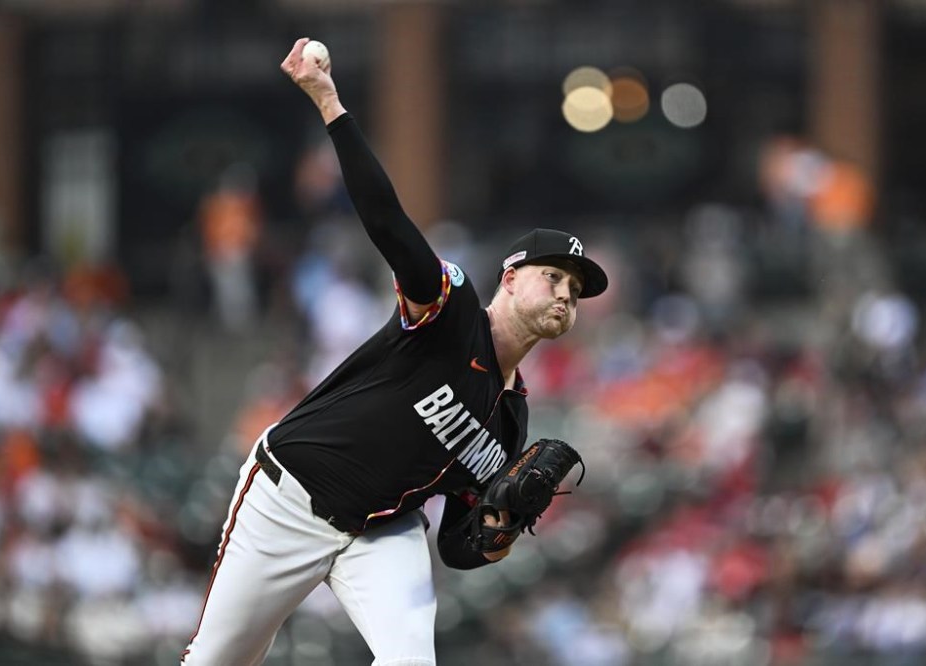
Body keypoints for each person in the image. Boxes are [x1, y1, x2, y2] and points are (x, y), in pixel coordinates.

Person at [181, 37, 608, 666]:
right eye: (554, 277)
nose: (566, 296)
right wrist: (329, 101)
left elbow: (459, 548)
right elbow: (387, 223)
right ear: (511, 277)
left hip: (384, 529)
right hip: (292, 494)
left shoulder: (511, 418)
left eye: (575, 292)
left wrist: (502, 526)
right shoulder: (450, 309)